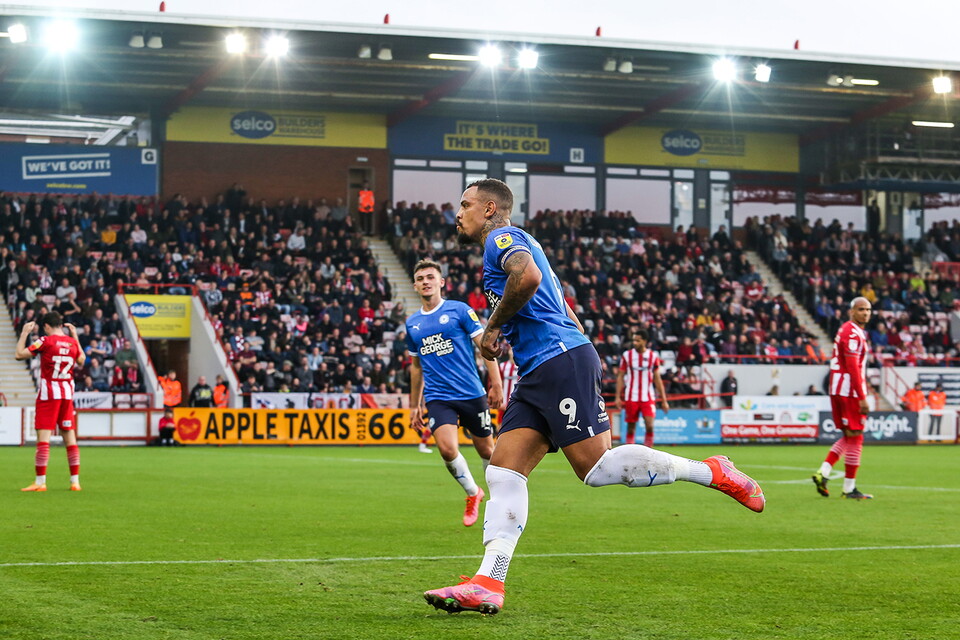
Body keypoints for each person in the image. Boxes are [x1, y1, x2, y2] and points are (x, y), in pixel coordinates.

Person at [424, 178, 764, 616]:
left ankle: (711, 471)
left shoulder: (501, 239)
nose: (459, 212)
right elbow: (564, 308)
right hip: (539, 370)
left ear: (490, 209)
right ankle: (489, 582)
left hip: (556, 362)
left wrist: (493, 327)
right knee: (504, 473)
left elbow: (526, 277)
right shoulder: (518, 245)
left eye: (466, 204)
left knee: (596, 468)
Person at [406, 259, 504, 526]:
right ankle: (473, 493)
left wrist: (496, 384)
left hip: (471, 393)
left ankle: (498, 500)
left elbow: (486, 346)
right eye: (420, 278)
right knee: (448, 449)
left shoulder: (459, 310)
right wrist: (414, 405)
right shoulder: (412, 324)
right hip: (439, 397)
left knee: (487, 450)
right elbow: (416, 367)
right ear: (415, 286)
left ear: (441, 282)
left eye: (430, 277)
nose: (425, 281)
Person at [15, 312, 87, 492]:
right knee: (69, 437)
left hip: (49, 394)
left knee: (43, 438)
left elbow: (19, 354)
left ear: (46, 326)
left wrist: (24, 333)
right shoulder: (72, 342)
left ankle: (40, 482)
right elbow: (82, 360)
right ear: (61, 324)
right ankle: (75, 482)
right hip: (67, 394)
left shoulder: (45, 341)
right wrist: (75, 335)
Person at [812, 297, 874, 501]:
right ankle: (849, 488)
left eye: (868, 309)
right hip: (849, 392)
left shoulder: (845, 329)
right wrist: (862, 397)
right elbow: (853, 366)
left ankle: (824, 471)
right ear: (852, 311)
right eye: (861, 309)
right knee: (856, 437)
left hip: (838, 388)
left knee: (849, 436)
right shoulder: (854, 333)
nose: (865, 313)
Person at [614, 329, 668, 446]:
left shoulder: (653, 356)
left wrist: (664, 400)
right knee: (631, 428)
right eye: (634, 340)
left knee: (650, 425)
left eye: (638, 341)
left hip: (647, 396)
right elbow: (620, 376)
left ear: (645, 341)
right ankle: (630, 454)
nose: (635, 343)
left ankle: (648, 454)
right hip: (631, 396)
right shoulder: (627, 356)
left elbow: (657, 379)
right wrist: (618, 397)